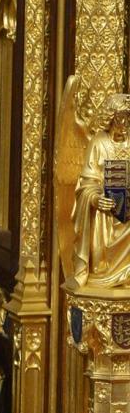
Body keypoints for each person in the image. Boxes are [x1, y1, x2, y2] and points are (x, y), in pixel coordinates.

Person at [73, 93, 130, 285]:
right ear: (111, 117)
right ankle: (103, 268)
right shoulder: (99, 142)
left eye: (128, 116)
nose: (125, 122)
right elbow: (86, 184)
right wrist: (96, 198)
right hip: (106, 215)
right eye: (121, 116)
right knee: (101, 212)